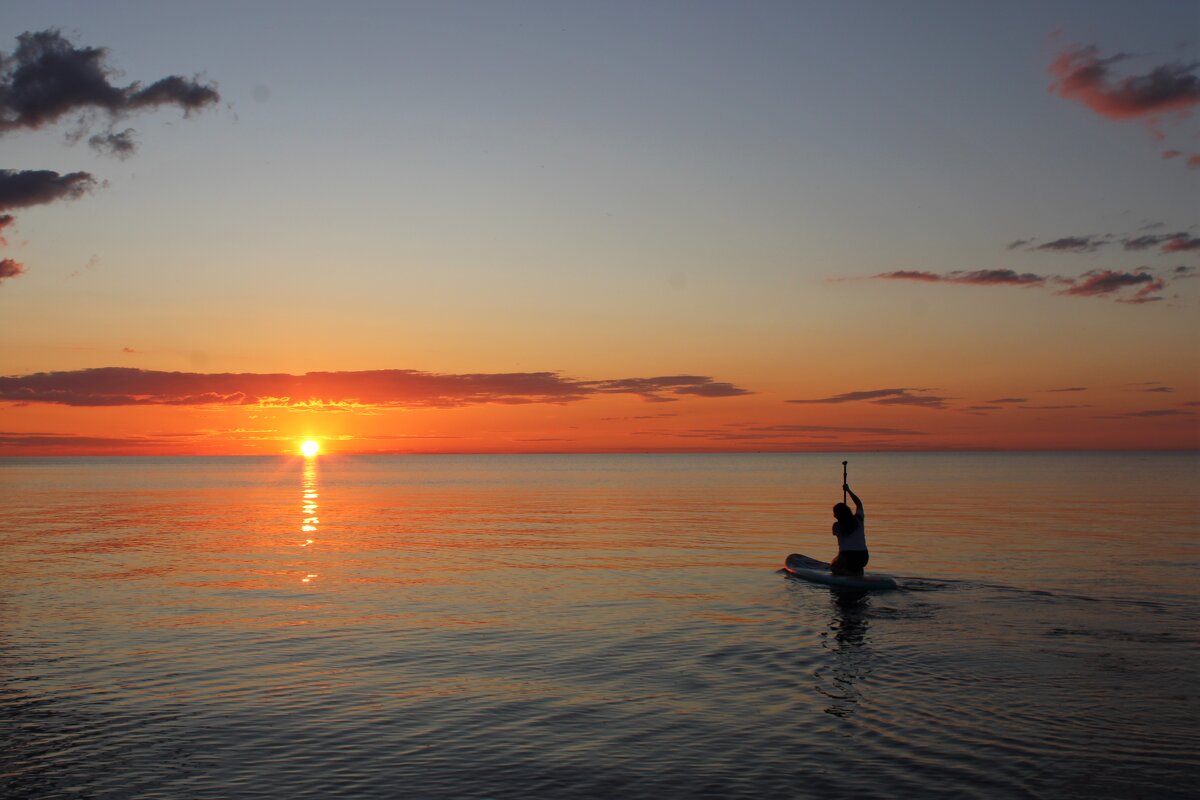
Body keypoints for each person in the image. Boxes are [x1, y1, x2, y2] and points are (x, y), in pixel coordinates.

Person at [831, 484, 868, 576]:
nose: (834, 516)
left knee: (833, 566)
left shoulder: (836, 526)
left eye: (835, 514)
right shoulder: (859, 519)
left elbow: (834, 533)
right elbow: (859, 503)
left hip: (847, 557)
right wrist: (848, 490)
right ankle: (857, 572)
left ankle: (849, 574)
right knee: (857, 565)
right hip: (863, 557)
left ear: (837, 515)